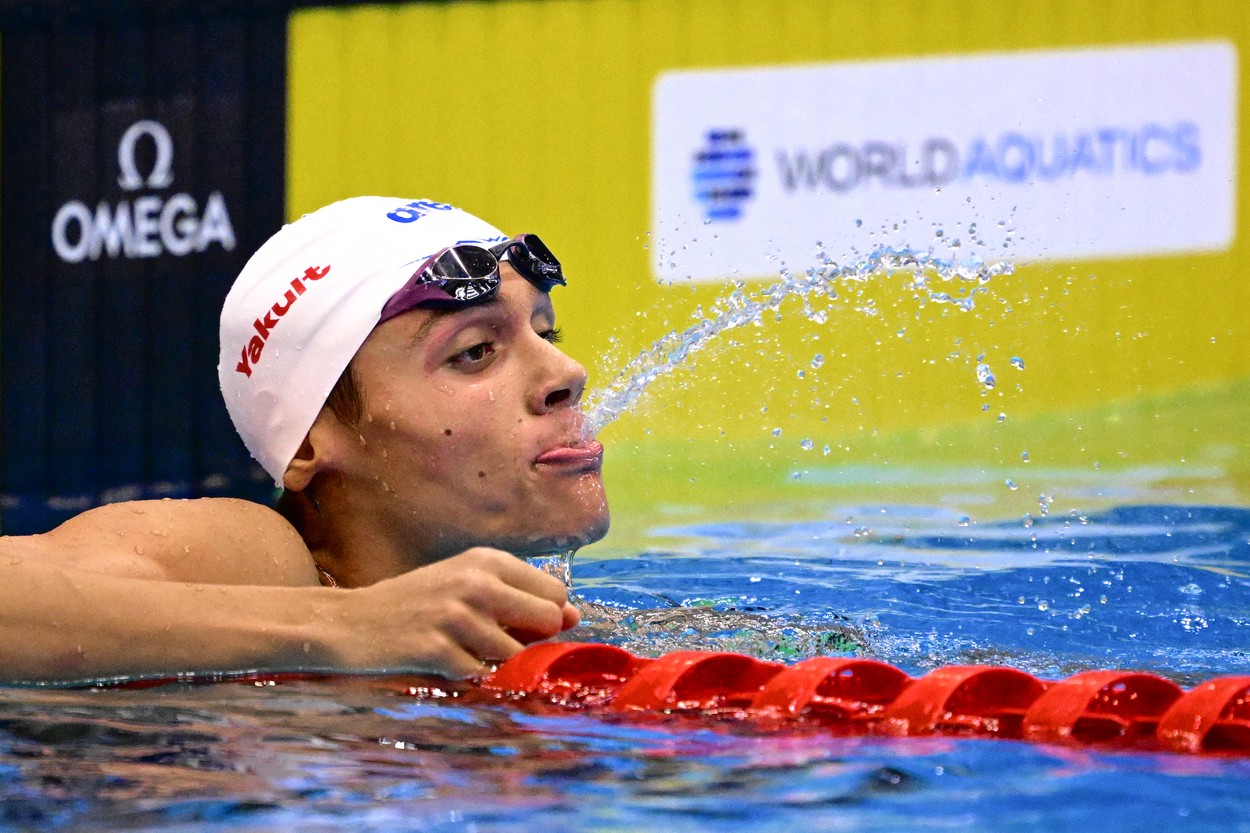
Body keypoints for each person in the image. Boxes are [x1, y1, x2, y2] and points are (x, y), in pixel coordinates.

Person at [0, 197, 608, 683]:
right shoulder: (264, 562)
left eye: (546, 335)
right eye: (475, 352)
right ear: (310, 442)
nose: (567, 375)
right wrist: (352, 626)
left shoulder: (582, 619)